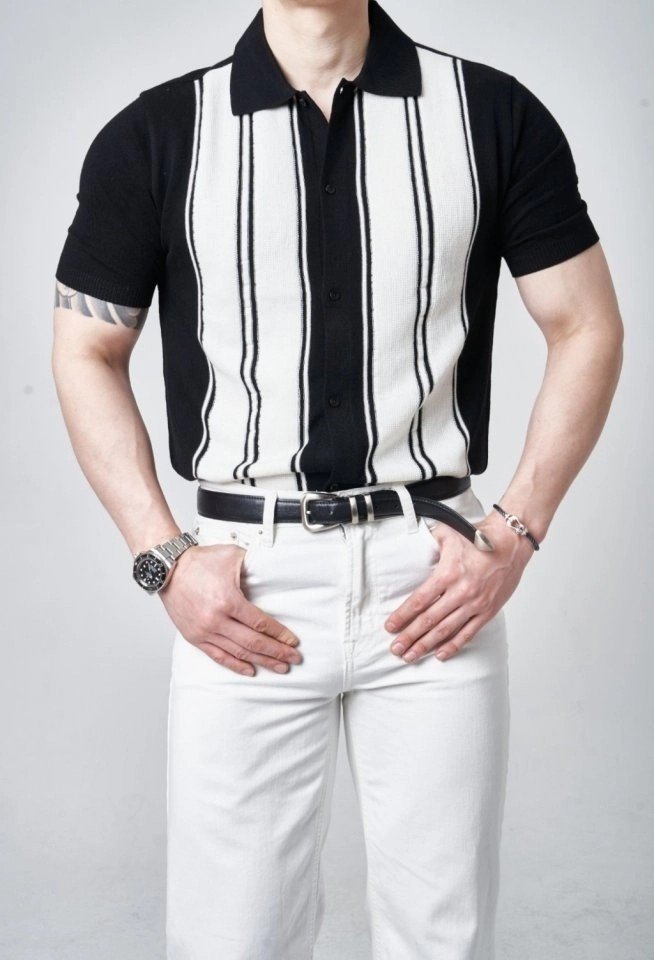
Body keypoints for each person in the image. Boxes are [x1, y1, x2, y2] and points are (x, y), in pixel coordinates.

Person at [51, 0, 623, 957]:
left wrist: (515, 534)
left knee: (443, 939)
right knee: (230, 942)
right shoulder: (158, 132)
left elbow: (587, 325)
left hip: (435, 575)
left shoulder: (490, 113)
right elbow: (84, 350)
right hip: (246, 583)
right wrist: (164, 559)